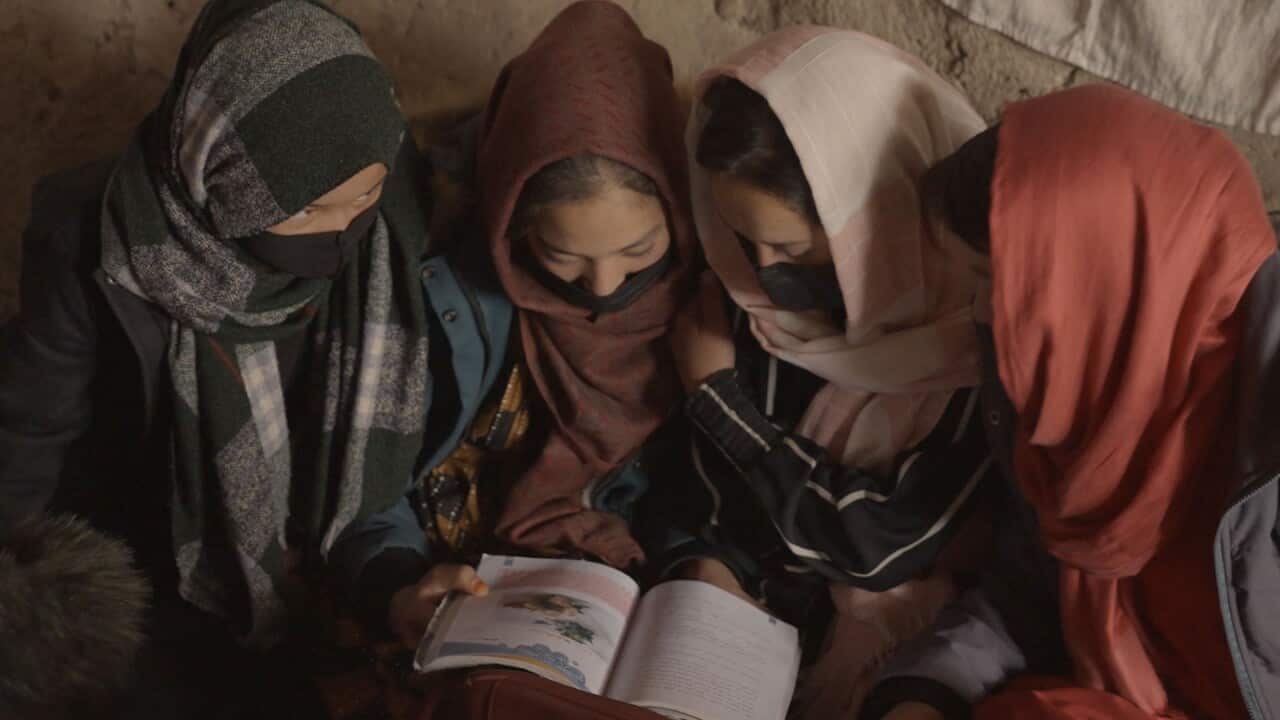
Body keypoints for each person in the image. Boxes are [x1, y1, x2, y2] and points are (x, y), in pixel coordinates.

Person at [0, 0, 508, 715]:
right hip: (154, 549)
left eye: (360, 199)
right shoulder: (95, 236)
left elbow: (368, 465)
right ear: (220, 173)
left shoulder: (392, 227)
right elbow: (30, 427)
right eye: (303, 212)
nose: (337, 239)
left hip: (316, 558)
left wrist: (393, 578)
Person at [862, 85, 1280, 719]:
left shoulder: (1262, 419)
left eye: (993, 290)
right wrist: (923, 691)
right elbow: (1026, 597)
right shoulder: (1078, 413)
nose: (976, 317)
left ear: (1097, 288)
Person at [661, 27, 998, 717]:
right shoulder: (753, 312)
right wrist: (707, 569)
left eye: (790, 246)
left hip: (897, 672)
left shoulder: (977, 347)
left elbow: (877, 547)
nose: (762, 273)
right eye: (741, 239)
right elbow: (707, 497)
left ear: (879, 215)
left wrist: (718, 397)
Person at [473, 0, 697, 569]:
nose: (603, 287)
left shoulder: (722, 301)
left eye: (639, 249)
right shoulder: (470, 305)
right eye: (561, 255)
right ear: (513, 230)